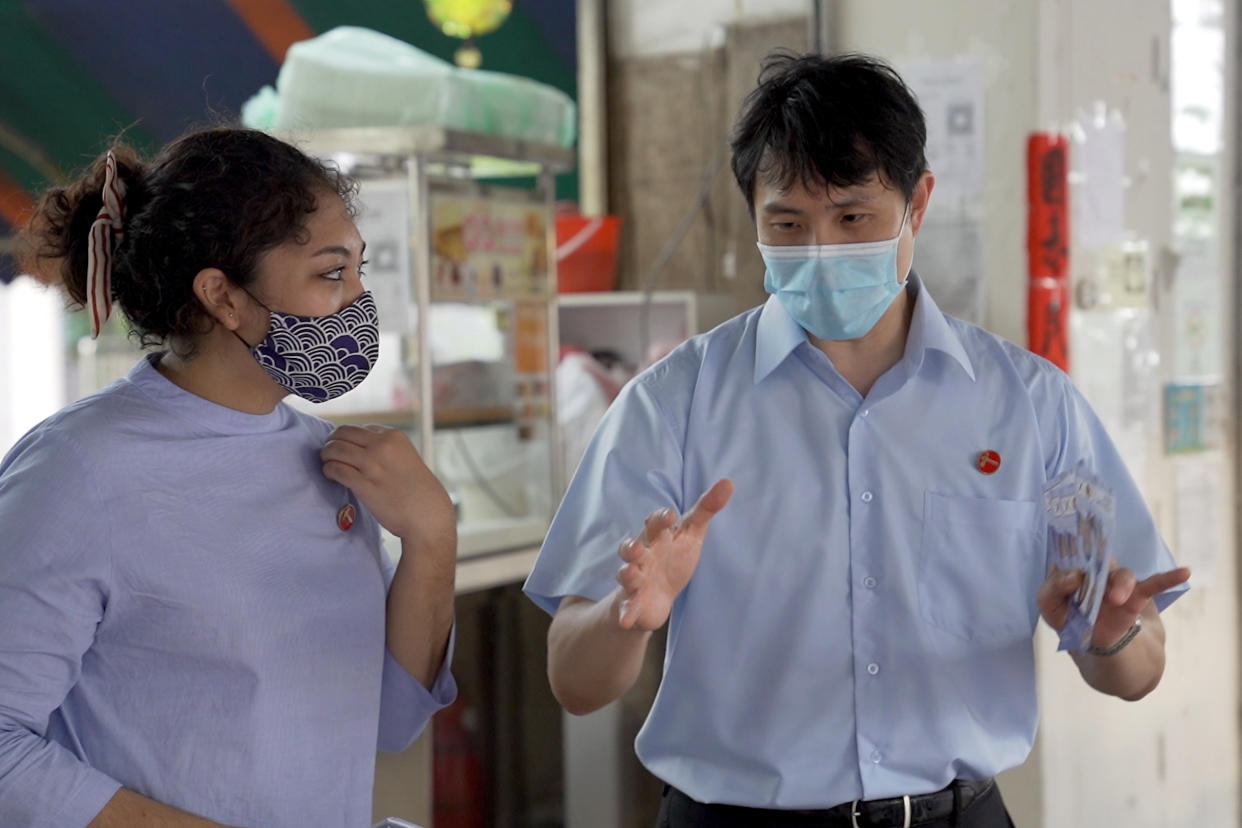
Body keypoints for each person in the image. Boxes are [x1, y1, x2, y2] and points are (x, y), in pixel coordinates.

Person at [524, 52, 1190, 828]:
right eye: (787, 224)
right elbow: (574, 680)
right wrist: (624, 620)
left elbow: (1140, 667)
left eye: (853, 218)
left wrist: (1109, 638)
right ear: (753, 219)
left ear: (918, 203)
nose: (821, 251)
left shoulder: (1031, 406)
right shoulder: (674, 404)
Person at [0, 128, 457, 828]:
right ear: (223, 296)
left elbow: (387, 724)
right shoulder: (78, 471)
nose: (360, 302)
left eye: (362, 271)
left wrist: (432, 538)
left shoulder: (334, 465)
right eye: (332, 274)